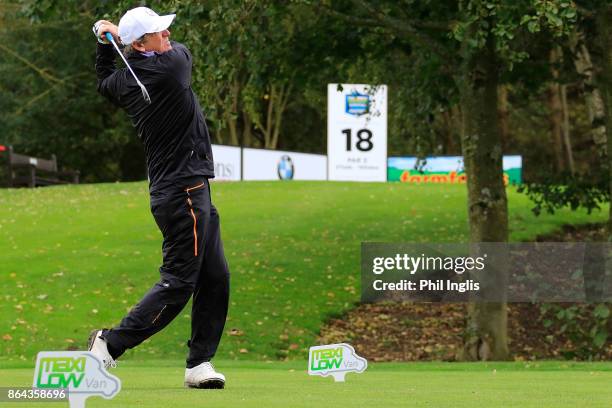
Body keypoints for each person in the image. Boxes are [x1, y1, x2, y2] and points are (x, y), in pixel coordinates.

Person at [89, 7, 230, 389]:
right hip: (183, 192)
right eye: (159, 34)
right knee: (181, 281)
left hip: (183, 188)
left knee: (215, 276)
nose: (168, 37)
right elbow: (182, 52)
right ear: (140, 44)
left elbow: (105, 81)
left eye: (166, 32)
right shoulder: (169, 68)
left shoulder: (127, 78)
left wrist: (106, 46)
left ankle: (199, 363)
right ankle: (109, 344)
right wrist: (116, 36)